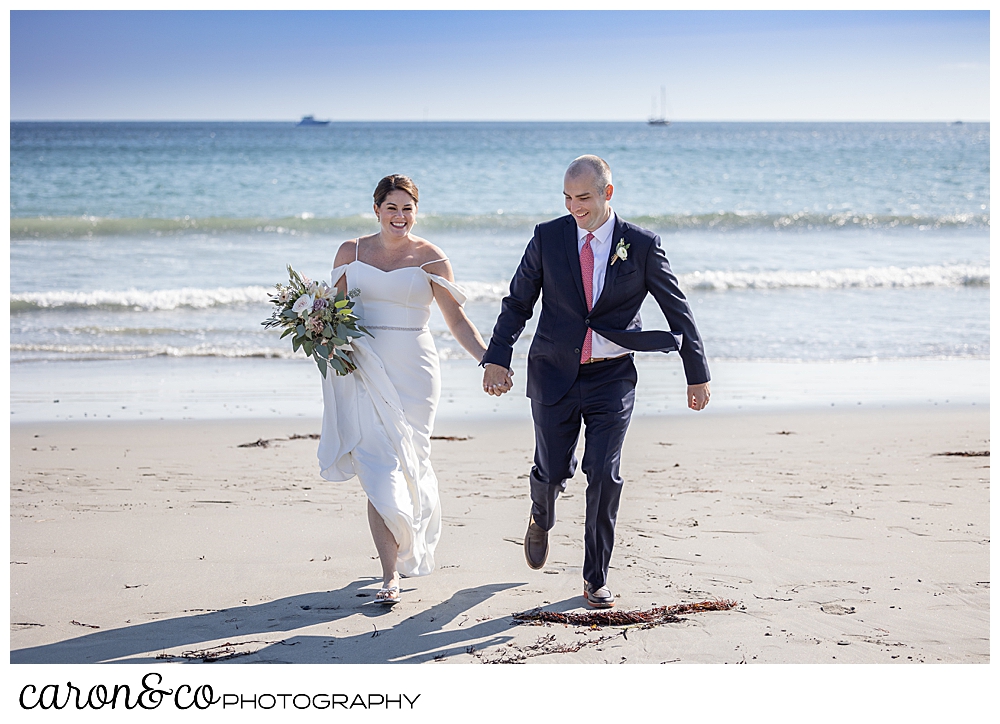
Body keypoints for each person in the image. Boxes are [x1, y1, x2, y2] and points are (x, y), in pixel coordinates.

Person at [481, 155, 710, 609]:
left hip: (612, 377)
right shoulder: (548, 237)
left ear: (608, 193)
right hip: (553, 372)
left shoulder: (641, 245)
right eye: (566, 198)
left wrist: (696, 373)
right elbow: (518, 301)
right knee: (551, 470)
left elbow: (676, 307)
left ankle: (595, 578)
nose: (574, 207)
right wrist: (497, 357)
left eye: (582, 198)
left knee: (604, 472)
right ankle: (541, 514)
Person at [317, 174, 502, 604]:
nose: (400, 216)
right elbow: (332, 312)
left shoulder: (432, 259)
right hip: (363, 367)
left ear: (416, 212)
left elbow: (456, 320)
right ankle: (389, 575)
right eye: (392, 208)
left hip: (415, 372)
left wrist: (488, 359)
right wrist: (326, 342)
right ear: (377, 209)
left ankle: (405, 546)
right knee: (376, 463)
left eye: (408, 208)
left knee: (408, 461)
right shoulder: (352, 252)